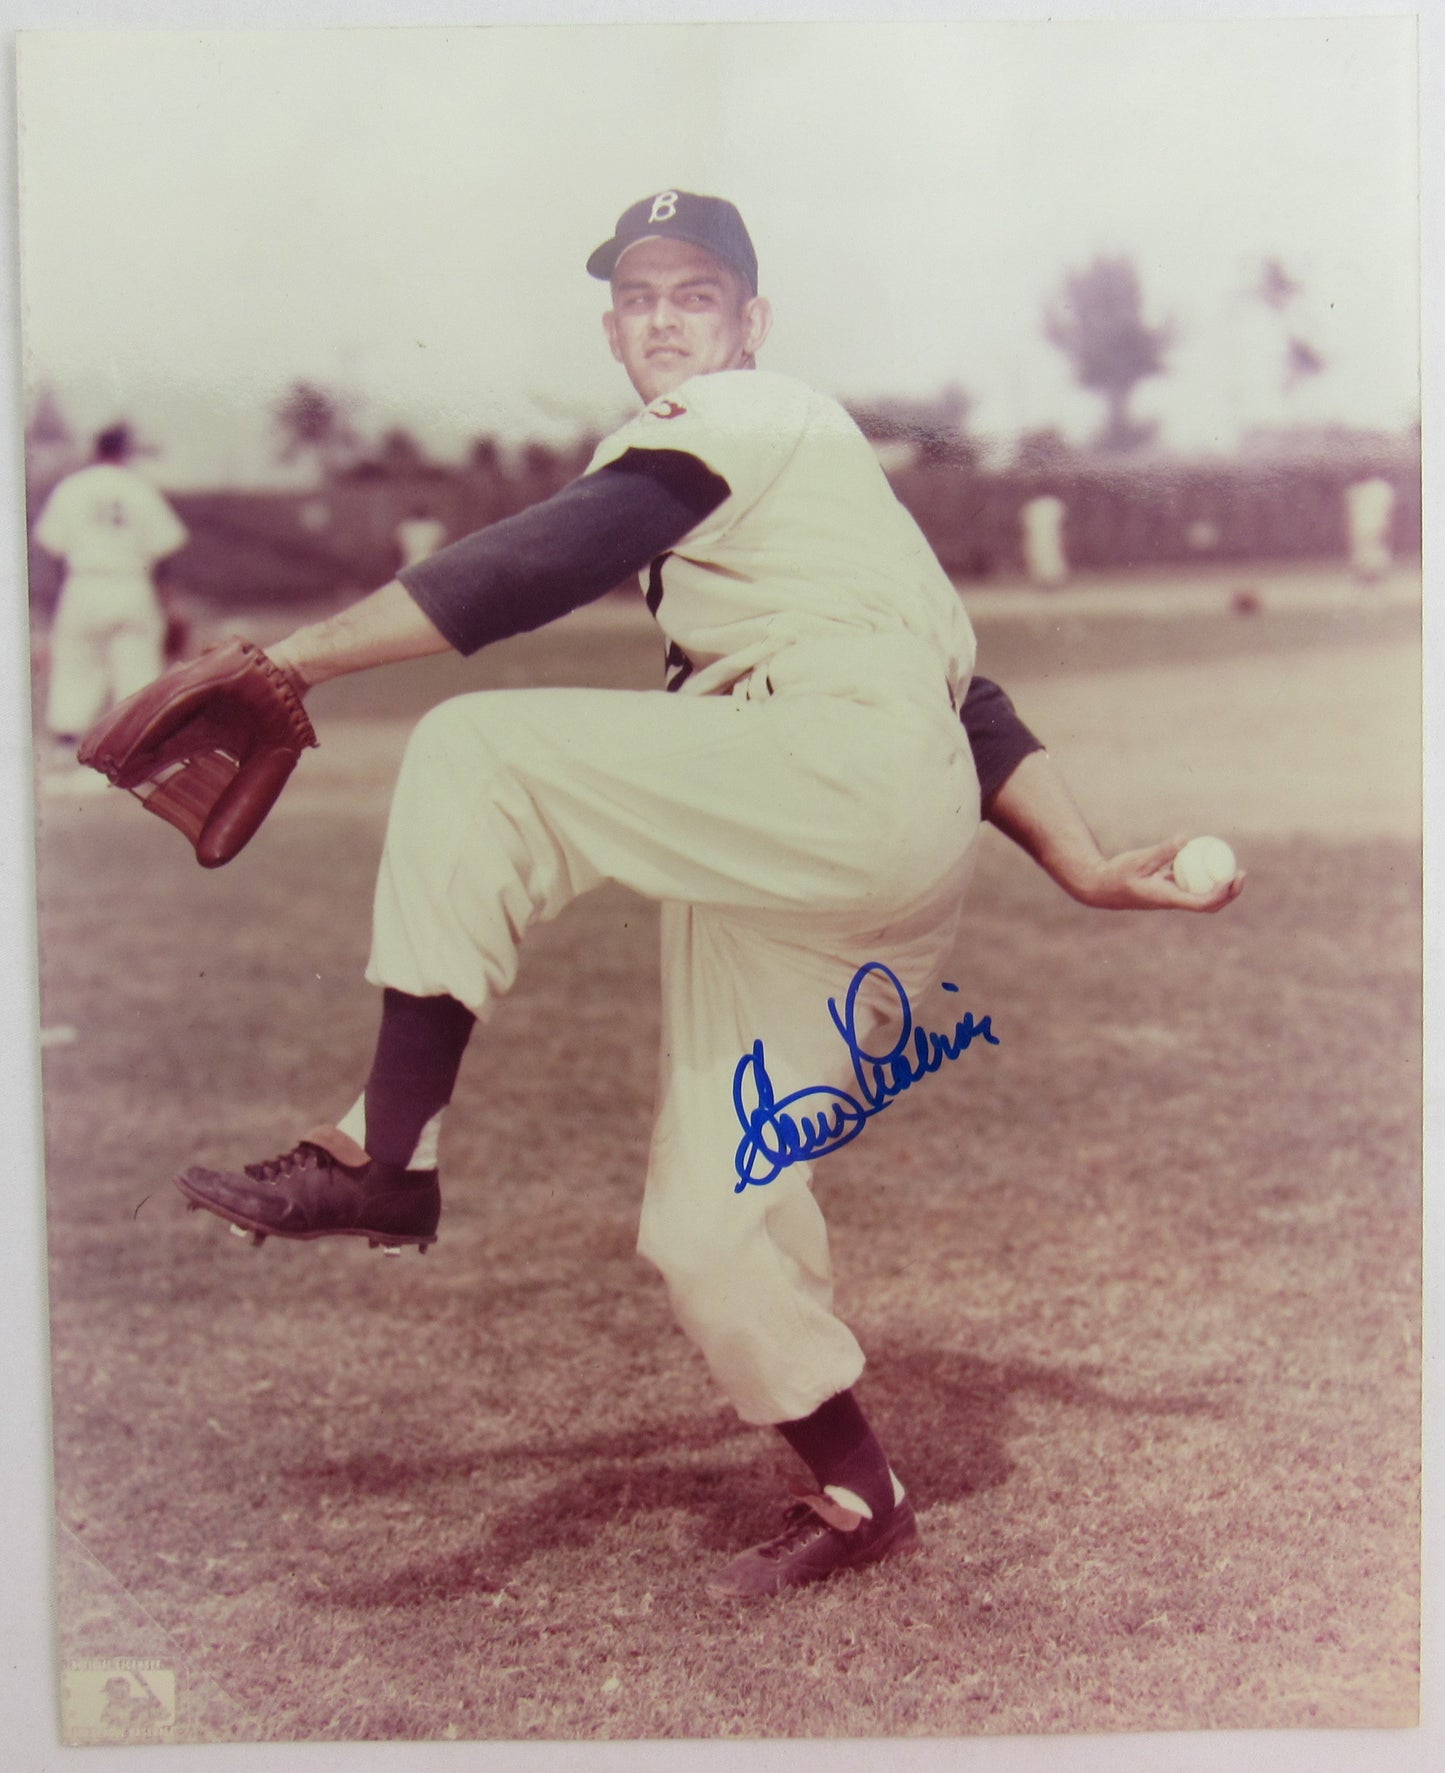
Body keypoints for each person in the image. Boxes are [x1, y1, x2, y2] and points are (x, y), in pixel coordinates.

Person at [171, 192, 1242, 1600]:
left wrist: (294, 661)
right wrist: (1088, 866)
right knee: (710, 1213)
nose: (667, 316)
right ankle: (861, 1490)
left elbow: (542, 559)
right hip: (845, 831)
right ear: (613, 324)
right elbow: (967, 705)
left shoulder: (757, 415)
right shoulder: (830, 502)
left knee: (477, 747)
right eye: (642, 297)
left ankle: (388, 1153)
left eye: (697, 293)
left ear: (751, 324)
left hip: (833, 769)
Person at [33, 423, 188, 757]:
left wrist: (60, 601)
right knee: (137, 667)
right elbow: (163, 556)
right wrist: (172, 605)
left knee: (75, 664)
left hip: (83, 583)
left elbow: (54, 552)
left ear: (96, 450)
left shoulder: (71, 488)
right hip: (132, 584)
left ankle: (66, 748)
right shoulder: (140, 487)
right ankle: (136, 750)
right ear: (125, 451)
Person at [1020, 492, 1068, 589]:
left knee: (1053, 556)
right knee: (1038, 556)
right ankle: (1042, 582)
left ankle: (1054, 582)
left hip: (1052, 536)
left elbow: (1063, 524)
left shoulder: (1054, 505)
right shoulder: (1032, 507)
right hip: (1037, 536)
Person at [394, 503, 448, 570]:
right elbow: (398, 548)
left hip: (430, 562)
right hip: (409, 563)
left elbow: (442, 546)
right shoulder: (405, 527)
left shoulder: (435, 526)